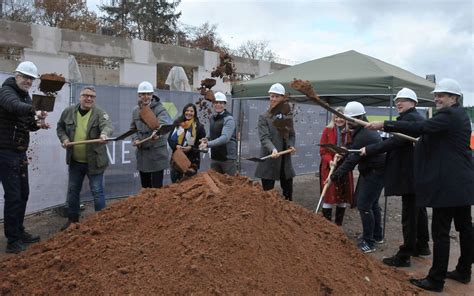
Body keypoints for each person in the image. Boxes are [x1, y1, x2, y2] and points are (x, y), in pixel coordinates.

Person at [366, 79, 473, 292]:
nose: (437, 98)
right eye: (436, 94)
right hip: (463, 182)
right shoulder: (459, 116)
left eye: (442, 95)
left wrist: (385, 124)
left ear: (455, 98)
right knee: (465, 228)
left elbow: (421, 127)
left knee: (441, 233)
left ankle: (436, 280)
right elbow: (432, 136)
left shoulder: (449, 115)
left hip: (448, 186)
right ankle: (463, 270)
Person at [361, 88, 430, 267]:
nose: (399, 103)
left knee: (409, 215)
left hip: (411, 174)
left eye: (404, 100)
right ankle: (422, 246)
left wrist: (369, 149)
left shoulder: (412, 120)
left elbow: (396, 142)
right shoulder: (411, 118)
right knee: (418, 212)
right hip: (415, 173)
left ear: (414, 103)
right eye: (397, 100)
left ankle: (405, 254)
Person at [0, 61, 49, 253]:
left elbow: (29, 124)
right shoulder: (6, 91)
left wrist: (38, 123)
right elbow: (13, 106)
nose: (28, 81)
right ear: (17, 75)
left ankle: (19, 231)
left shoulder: (26, 98)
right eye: (25, 77)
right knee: (13, 196)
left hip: (19, 151)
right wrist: (32, 110)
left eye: (31, 79)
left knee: (23, 194)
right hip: (4, 151)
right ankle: (12, 241)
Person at [330, 101, 385, 253]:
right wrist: (345, 150)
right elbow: (353, 149)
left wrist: (335, 176)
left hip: (375, 172)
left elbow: (351, 161)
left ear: (359, 117)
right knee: (372, 204)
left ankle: (369, 242)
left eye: (350, 119)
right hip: (372, 170)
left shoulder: (365, 134)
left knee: (364, 205)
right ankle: (377, 235)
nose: (348, 122)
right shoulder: (362, 130)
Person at [57, 85, 113, 230]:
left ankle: (101, 223)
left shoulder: (99, 113)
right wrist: (64, 139)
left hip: (95, 161)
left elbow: (107, 126)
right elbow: (60, 128)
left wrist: (104, 134)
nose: (89, 98)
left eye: (92, 96)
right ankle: (73, 221)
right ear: (80, 97)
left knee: (97, 191)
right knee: (73, 190)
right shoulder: (69, 112)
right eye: (86, 95)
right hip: (75, 161)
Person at [254, 83, 296, 201]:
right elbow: (264, 138)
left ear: (282, 98)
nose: (274, 99)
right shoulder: (264, 117)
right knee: (268, 197)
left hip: (285, 161)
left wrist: (291, 145)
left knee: (288, 195)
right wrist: (273, 149)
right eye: (272, 96)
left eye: (277, 96)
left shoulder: (288, 116)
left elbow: (292, 135)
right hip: (269, 160)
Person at [131, 81, 172, 188]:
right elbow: (133, 129)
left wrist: (157, 132)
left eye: (148, 94)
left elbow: (164, 123)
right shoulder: (135, 111)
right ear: (139, 95)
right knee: (145, 188)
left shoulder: (160, 108)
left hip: (157, 154)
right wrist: (135, 139)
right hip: (143, 154)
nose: (146, 97)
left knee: (156, 189)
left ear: (152, 94)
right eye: (143, 94)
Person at [319, 107, 354, 225]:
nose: (339, 120)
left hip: (344, 167)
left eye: (341, 117)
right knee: (328, 194)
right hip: (329, 166)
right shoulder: (327, 130)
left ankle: (338, 225)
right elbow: (323, 151)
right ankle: (327, 226)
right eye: (336, 117)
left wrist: (344, 154)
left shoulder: (350, 132)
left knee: (342, 196)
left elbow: (352, 149)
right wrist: (330, 161)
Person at [199, 92, 237, 175]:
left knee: (229, 184)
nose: (218, 105)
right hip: (215, 157)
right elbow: (211, 133)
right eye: (216, 102)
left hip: (227, 159)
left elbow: (225, 138)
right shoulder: (212, 118)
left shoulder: (229, 119)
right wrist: (206, 139)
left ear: (225, 104)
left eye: (221, 103)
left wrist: (208, 144)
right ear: (213, 104)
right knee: (216, 184)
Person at [168, 103, 206, 182]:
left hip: (191, 162)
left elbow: (201, 145)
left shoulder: (199, 127)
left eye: (191, 111)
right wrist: (176, 146)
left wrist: (191, 148)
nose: (189, 113)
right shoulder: (177, 123)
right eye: (187, 111)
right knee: (175, 186)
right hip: (177, 160)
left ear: (194, 113)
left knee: (189, 187)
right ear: (184, 111)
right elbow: (170, 139)